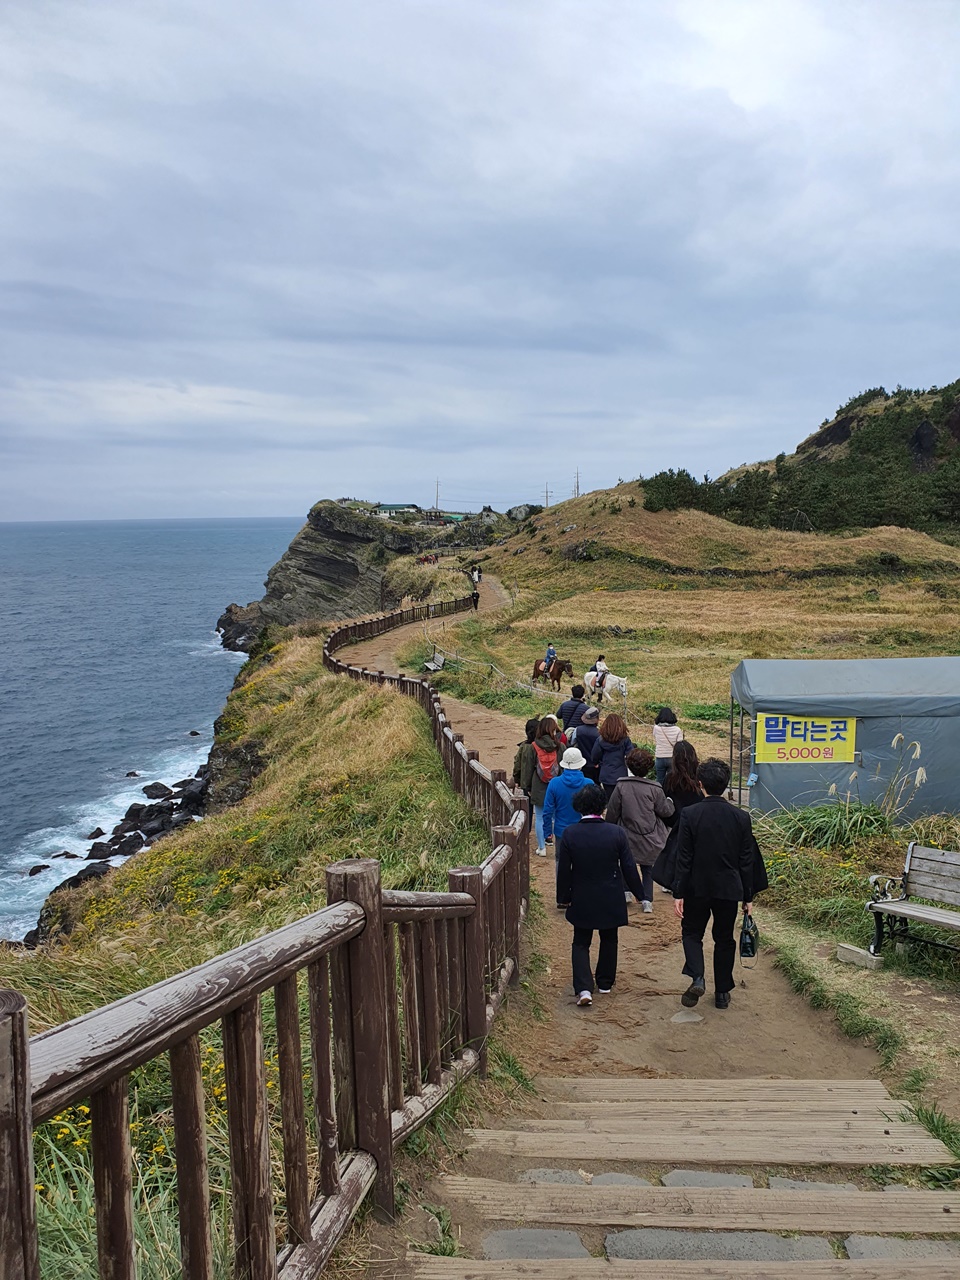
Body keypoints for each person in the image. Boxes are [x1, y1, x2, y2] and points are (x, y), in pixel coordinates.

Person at [673, 757, 766, 1010]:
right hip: (729, 887)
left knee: (692, 932)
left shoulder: (690, 814)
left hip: (696, 887)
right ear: (726, 785)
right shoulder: (741, 817)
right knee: (724, 938)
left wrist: (679, 891)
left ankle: (697, 977)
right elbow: (746, 860)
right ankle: (722, 993)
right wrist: (748, 896)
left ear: (700, 784)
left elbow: (684, 857)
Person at [556, 784, 647, 1006]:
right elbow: (628, 866)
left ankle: (584, 988)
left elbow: (564, 871)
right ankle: (605, 983)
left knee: (580, 942)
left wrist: (563, 897)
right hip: (610, 894)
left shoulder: (570, 834)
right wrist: (640, 893)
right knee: (609, 938)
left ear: (579, 807)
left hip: (582, 895)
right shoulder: (616, 833)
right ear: (603, 807)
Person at [605, 748, 674, 912]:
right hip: (650, 834)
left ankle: (626, 891)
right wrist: (670, 802)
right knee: (647, 867)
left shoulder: (621, 786)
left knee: (626, 864)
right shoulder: (655, 788)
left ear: (628, 765)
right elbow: (665, 811)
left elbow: (613, 811)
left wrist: (609, 826)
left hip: (627, 833)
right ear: (649, 767)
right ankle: (647, 900)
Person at [652, 740, 702, 893]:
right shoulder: (699, 777)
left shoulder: (670, 778)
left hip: (675, 820)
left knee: (674, 851)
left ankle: (671, 881)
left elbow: (664, 799)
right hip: (696, 819)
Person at [543, 747, 588, 904]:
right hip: (584, 830)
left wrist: (547, 832)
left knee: (561, 862)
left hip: (562, 830)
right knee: (582, 862)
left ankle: (562, 897)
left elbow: (547, 810)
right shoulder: (588, 784)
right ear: (580, 765)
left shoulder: (554, 783)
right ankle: (580, 895)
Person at [518, 716, 561, 856]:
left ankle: (541, 848)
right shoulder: (560, 746)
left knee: (540, 817)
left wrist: (527, 787)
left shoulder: (533, 747)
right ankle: (555, 843)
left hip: (538, 786)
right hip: (556, 785)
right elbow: (563, 768)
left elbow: (528, 769)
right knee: (555, 816)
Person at [590, 713, 634, 801]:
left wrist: (596, 762)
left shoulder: (600, 740)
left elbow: (594, 755)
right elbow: (631, 755)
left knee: (610, 800)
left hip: (606, 773)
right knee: (621, 800)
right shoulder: (625, 740)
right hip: (621, 773)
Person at [653, 707, 684, 785]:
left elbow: (655, 737)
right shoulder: (677, 729)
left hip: (660, 756)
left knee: (660, 780)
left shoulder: (656, 728)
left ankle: (659, 792)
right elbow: (680, 744)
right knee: (671, 781)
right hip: (672, 757)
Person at [573, 706, 601, 781]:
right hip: (595, 765)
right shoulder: (599, 733)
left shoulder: (577, 730)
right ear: (597, 719)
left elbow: (573, 743)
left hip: (581, 763)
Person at [512, 717, 539, 791]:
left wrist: (516, 779)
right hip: (541, 783)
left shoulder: (524, 746)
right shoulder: (542, 745)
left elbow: (517, 764)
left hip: (526, 783)